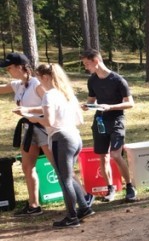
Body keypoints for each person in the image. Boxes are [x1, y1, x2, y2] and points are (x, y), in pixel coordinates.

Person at [14, 63, 94, 228]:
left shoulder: (49, 95)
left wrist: (32, 118)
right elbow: (79, 119)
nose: (38, 82)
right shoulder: (66, 93)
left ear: (45, 77)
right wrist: (31, 112)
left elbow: (49, 121)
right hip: (75, 137)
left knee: (64, 179)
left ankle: (72, 217)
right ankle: (84, 207)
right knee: (68, 176)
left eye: (38, 78)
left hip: (61, 138)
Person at [0, 52, 56, 216]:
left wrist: (27, 110)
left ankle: (81, 198)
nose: (8, 71)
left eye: (10, 68)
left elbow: (50, 106)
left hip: (43, 127)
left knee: (58, 165)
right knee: (27, 167)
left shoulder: (37, 83)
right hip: (28, 129)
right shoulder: (18, 84)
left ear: (20, 67)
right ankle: (33, 205)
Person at [80, 49, 137, 202]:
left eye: (87, 64)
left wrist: (110, 107)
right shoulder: (92, 80)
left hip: (116, 120)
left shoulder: (118, 80)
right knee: (103, 156)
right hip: (100, 121)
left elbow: (130, 103)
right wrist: (86, 106)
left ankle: (129, 186)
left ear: (96, 61)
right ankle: (110, 189)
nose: (86, 67)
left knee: (116, 155)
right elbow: (91, 100)